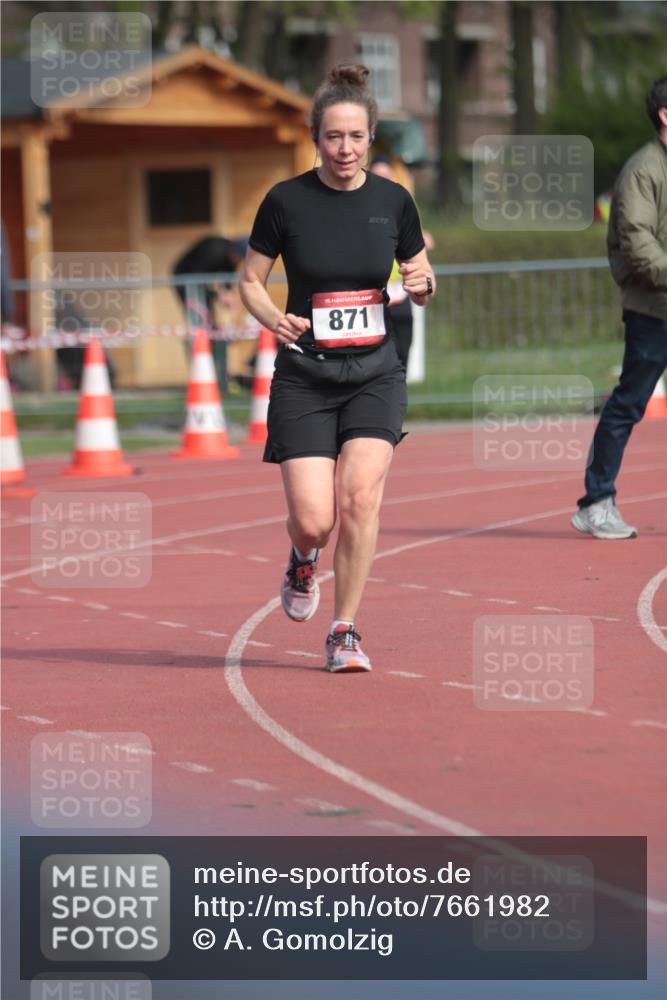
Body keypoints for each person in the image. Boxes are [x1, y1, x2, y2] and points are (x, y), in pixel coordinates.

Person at [239, 63, 435, 673]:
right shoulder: (285, 201)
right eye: (333, 137)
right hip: (306, 376)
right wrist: (274, 318)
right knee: (314, 520)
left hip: (375, 373)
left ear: (371, 137)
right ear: (315, 138)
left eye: (355, 137)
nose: (345, 149)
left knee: (360, 500)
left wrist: (424, 285)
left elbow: (421, 274)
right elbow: (250, 280)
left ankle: (344, 631)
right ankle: (303, 559)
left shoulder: (393, 201)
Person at [572, 76, 667, 540]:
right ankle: (596, 502)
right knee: (629, 403)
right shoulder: (643, 170)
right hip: (654, 310)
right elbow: (638, 244)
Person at [369, 155, 435, 370]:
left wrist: (423, 240)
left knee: (402, 356)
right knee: (376, 362)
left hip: (401, 294)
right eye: (378, 177)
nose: (383, 182)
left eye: (387, 177)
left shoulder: (402, 208)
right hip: (372, 299)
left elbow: (416, 241)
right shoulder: (362, 210)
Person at [172, 236, 248, 393]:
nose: (239, 261)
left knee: (212, 328)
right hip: (185, 279)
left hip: (198, 282)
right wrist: (219, 294)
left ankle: (217, 376)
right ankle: (200, 375)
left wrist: (227, 294)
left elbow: (227, 280)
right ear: (235, 251)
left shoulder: (231, 258)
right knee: (200, 327)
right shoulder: (214, 251)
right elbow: (196, 277)